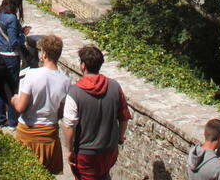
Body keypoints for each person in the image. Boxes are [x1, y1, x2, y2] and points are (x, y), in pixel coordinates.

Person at [63, 44, 131, 180]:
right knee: (104, 175)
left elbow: (70, 125)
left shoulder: (74, 92)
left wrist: (69, 150)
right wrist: (120, 137)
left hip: (86, 154)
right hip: (109, 150)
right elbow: (124, 116)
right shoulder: (114, 87)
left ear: (83, 66)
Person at [11, 34, 73, 174]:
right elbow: (61, 112)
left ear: (44, 54)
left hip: (28, 132)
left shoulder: (32, 75)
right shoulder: (66, 81)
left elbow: (21, 107)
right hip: (49, 133)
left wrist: (14, 99)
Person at [0, 0, 31, 128]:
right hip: (10, 57)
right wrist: (24, 35)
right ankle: (13, 122)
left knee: (0, 89)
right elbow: (13, 42)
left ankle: (1, 120)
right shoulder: (12, 18)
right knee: (13, 90)